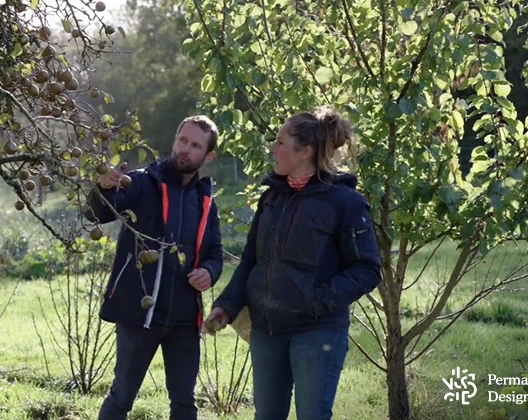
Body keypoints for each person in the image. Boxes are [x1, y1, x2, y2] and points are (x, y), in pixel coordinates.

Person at [204, 106, 382, 420]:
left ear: (305, 153)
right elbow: (251, 260)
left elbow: (367, 269)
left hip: (317, 332)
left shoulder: (345, 203)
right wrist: (227, 305)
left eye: (280, 142)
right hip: (267, 331)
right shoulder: (272, 197)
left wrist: (316, 300)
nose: (272, 148)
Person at [84, 115, 224, 420]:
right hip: (140, 314)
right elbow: (98, 213)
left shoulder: (206, 201)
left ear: (208, 156)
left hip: (186, 320)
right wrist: (103, 188)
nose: (185, 149)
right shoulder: (143, 182)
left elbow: (214, 253)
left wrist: (210, 273)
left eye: (195, 145)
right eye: (182, 140)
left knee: (185, 405)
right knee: (121, 398)